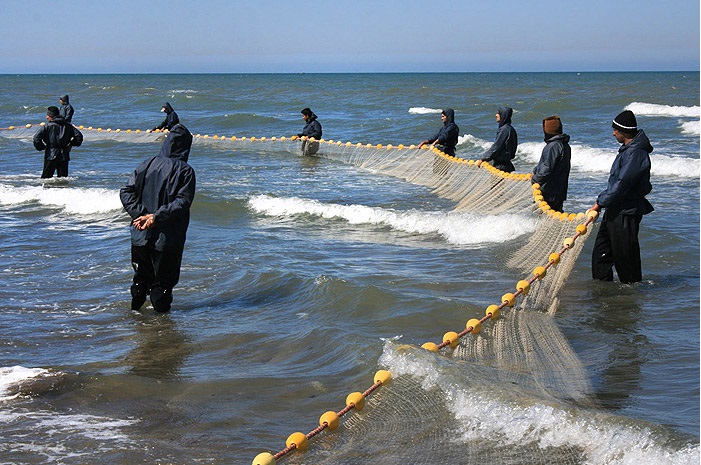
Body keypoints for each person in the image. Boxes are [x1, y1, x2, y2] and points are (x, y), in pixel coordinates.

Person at [119, 123, 196, 312]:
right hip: (167, 238)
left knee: (140, 280)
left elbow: (126, 191)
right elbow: (182, 202)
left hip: (139, 234)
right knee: (162, 285)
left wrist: (141, 214)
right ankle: (162, 334)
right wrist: (153, 217)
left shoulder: (147, 163)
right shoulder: (185, 171)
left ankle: (135, 320)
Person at [590, 110, 654, 284]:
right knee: (600, 256)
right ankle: (603, 297)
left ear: (624, 131)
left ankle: (631, 300)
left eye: (615, 130)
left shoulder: (636, 153)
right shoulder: (627, 151)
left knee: (626, 260)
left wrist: (600, 202)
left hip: (626, 212)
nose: (613, 133)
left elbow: (622, 184)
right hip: (614, 209)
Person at [531, 115, 571, 212]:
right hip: (559, 191)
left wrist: (534, 179)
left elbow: (546, 169)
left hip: (549, 193)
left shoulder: (553, 146)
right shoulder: (565, 145)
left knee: (542, 218)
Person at [32, 106, 83, 178]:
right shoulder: (68, 126)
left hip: (50, 154)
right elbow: (79, 137)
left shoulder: (47, 126)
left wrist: (42, 147)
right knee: (63, 179)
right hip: (64, 155)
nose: (46, 117)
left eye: (48, 115)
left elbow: (36, 138)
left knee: (46, 179)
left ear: (51, 116)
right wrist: (71, 144)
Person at [481, 106, 518, 172]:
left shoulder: (504, 130)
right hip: (506, 165)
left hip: (501, 166)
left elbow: (496, 147)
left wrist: (483, 159)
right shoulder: (510, 129)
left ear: (503, 115)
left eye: (498, 113)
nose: (496, 115)